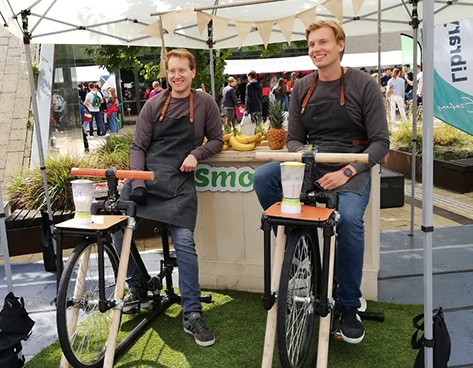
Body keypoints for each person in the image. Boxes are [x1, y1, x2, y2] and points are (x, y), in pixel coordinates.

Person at [252, 20, 389, 345]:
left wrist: (346, 172)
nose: (316, 49)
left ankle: (348, 306)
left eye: (323, 42)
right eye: (312, 44)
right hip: (312, 166)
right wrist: (305, 157)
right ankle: (303, 248)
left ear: (340, 45)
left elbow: (380, 143)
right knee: (264, 179)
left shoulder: (364, 84)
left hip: (351, 170)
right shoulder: (301, 87)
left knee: (351, 223)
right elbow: (295, 139)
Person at [119, 48, 223, 347]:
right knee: (117, 227)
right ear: (167, 73)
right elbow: (138, 147)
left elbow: (216, 139)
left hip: (179, 182)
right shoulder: (153, 105)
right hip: (147, 178)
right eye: (172, 70)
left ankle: (191, 313)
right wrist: (137, 182)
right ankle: (138, 286)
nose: (176, 76)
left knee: (185, 242)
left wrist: (196, 154)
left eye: (182, 70)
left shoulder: (205, 104)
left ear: (193, 72)